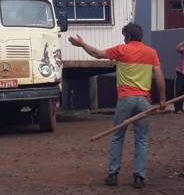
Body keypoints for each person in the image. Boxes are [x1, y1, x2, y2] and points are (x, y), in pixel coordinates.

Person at [68, 23, 167, 189]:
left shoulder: (122, 50)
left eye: (124, 36)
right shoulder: (151, 53)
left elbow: (97, 54)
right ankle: (139, 177)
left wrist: (82, 44)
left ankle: (113, 175)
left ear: (128, 36)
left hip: (125, 100)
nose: (124, 39)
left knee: (117, 136)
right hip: (144, 101)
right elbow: (159, 75)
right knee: (141, 139)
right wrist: (163, 99)